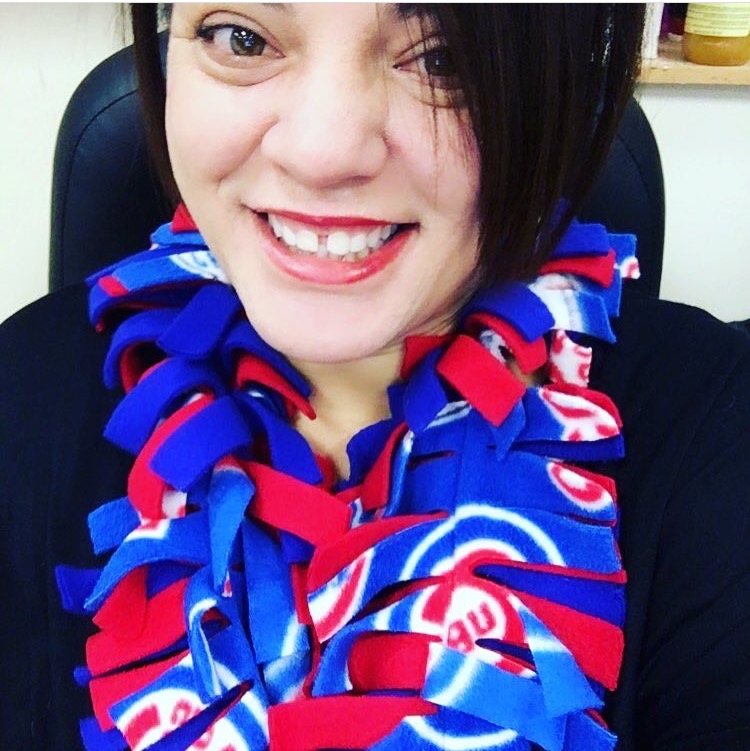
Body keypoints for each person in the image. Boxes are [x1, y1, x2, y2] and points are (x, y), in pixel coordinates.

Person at [2, 4, 750, 751]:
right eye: (243, 38)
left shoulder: (717, 442)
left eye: (444, 60)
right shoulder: (22, 392)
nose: (322, 153)